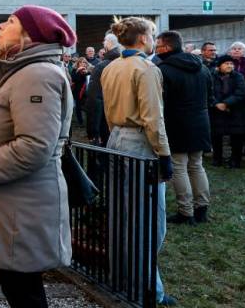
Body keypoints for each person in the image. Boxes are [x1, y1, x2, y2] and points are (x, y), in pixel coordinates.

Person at [0, 5, 74, 308]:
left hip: (23, 207)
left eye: (9, 22)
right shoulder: (20, 72)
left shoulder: (37, 76)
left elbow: (34, 145)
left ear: (29, 35)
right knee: (18, 287)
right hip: (14, 205)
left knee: (25, 292)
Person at [100, 17, 175, 306]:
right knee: (149, 221)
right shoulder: (145, 68)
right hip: (139, 143)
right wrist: (164, 156)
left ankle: (120, 279)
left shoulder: (111, 67)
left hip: (116, 139)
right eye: (153, 34)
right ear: (143, 38)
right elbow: (153, 120)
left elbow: (108, 112)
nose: (155, 39)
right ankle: (147, 290)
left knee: (121, 215)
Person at [155, 31, 213, 225]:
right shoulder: (202, 67)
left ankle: (186, 211)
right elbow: (210, 95)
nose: (156, 48)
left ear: (168, 47)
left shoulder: (163, 69)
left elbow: (160, 101)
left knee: (179, 167)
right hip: (200, 121)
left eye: (158, 45)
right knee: (196, 165)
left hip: (177, 123)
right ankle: (201, 208)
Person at [210, 55, 245, 168]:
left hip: (235, 111)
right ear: (219, 66)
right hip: (217, 111)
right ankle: (217, 159)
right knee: (216, 136)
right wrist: (216, 104)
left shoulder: (238, 76)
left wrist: (226, 103)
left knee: (237, 137)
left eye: (231, 64)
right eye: (226, 63)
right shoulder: (212, 77)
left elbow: (240, 92)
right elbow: (208, 92)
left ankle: (235, 161)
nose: (230, 65)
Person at [85, 33, 121, 146]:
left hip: (107, 124)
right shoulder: (138, 65)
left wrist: (93, 132)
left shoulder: (102, 67)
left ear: (106, 47)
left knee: (105, 157)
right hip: (132, 127)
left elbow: (94, 100)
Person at [70, 58, 92, 125]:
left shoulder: (88, 70)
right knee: (78, 107)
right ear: (78, 63)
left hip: (87, 91)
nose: (83, 64)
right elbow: (74, 79)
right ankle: (80, 121)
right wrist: (78, 71)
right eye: (81, 62)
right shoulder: (74, 70)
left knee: (88, 106)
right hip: (78, 91)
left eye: (84, 62)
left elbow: (90, 77)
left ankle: (89, 121)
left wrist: (87, 72)